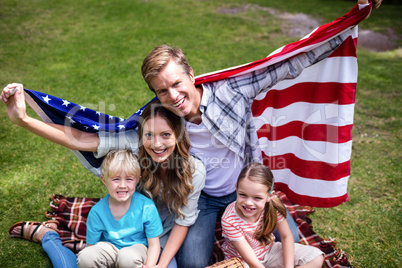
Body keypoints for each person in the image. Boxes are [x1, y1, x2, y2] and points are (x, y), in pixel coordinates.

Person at [2, 1, 381, 266]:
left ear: (192, 75)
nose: (173, 96)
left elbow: (289, 63)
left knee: (294, 248)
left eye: (177, 84)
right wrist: (22, 120)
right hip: (201, 202)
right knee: (194, 261)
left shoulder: (232, 91)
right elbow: (85, 138)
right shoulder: (160, 125)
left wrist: (353, 20)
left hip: (244, 190)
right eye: (162, 91)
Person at [7, 101, 206, 268]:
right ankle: (50, 238)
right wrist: (23, 119)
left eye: (165, 135)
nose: (156, 144)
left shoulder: (194, 171)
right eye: (149, 135)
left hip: (157, 240)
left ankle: (64, 242)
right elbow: (79, 139)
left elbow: (183, 222)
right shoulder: (133, 147)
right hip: (116, 234)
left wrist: (159, 266)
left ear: (178, 133)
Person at [221, 163, 324, 268]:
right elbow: (251, 260)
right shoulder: (229, 219)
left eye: (257, 198)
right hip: (244, 262)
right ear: (236, 188)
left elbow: (286, 236)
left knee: (316, 257)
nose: (248, 202)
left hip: (270, 252)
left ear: (269, 196)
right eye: (243, 195)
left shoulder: (273, 207)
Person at [76, 149, 163, 268]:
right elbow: (92, 246)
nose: (122, 185)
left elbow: (154, 245)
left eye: (129, 179)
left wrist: (149, 265)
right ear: (104, 180)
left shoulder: (146, 207)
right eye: (116, 179)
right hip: (109, 248)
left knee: (126, 257)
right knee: (85, 256)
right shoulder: (97, 212)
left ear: (137, 180)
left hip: (136, 250)